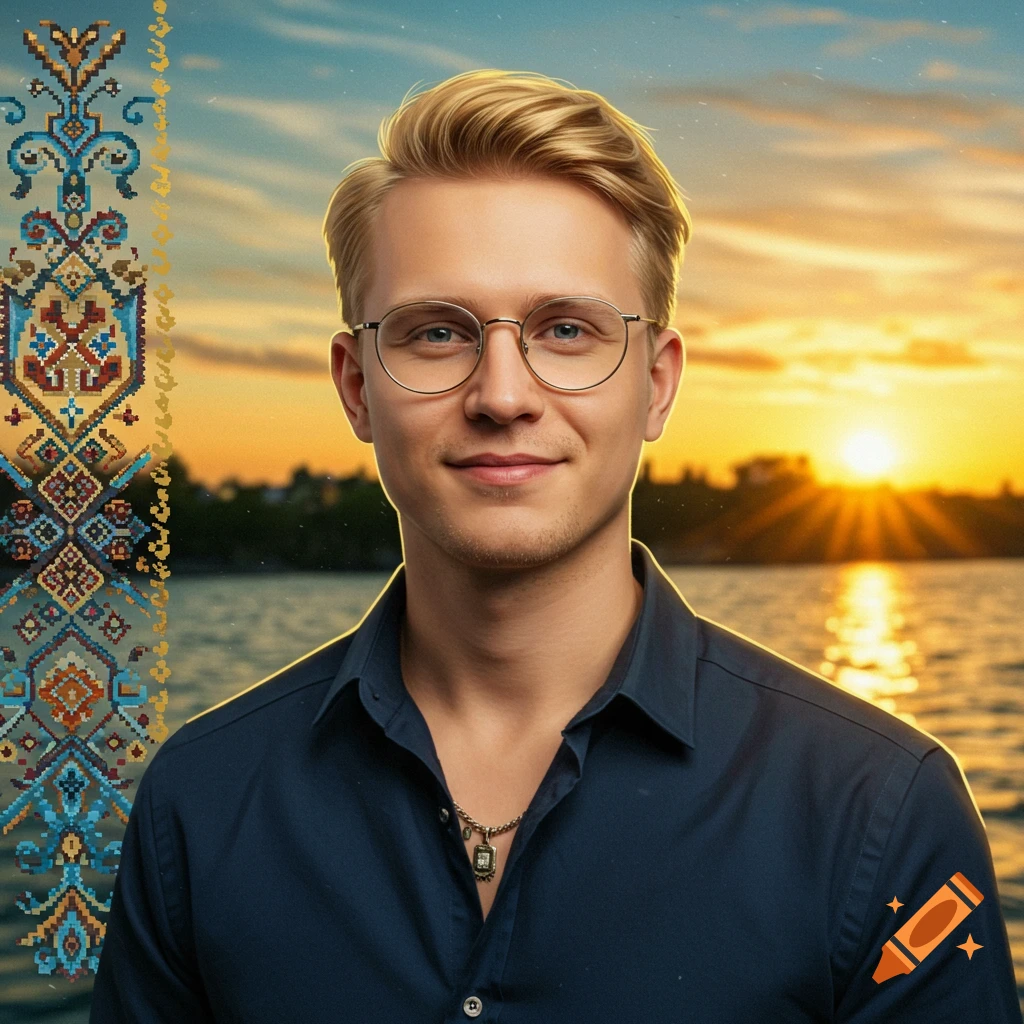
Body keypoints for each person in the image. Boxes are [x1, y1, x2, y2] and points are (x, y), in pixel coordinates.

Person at [89, 69, 1022, 1023]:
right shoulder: (199, 805)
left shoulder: (882, 807)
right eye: (437, 333)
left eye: (567, 330)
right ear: (357, 385)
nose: (502, 394)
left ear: (656, 385)